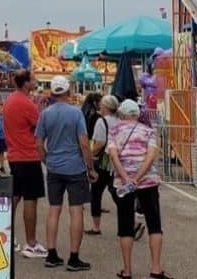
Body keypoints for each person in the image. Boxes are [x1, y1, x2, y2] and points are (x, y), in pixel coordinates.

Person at [36, 75, 96, 271]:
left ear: (52, 93)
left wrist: (47, 159)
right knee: (76, 210)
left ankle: (51, 254)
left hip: (54, 166)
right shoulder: (76, 113)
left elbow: (38, 143)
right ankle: (74, 257)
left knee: (54, 209)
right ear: (68, 91)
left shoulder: (45, 114)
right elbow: (84, 143)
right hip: (75, 167)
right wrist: (90, 168)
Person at [108, 99, 171, 279]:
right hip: (148, 181)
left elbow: (113, 155)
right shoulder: (149, 131)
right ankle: (156, 269)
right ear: (136, 114)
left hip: (123, 184)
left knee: (125, 226)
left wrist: (127, 179)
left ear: (122, 114)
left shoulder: (114, 131)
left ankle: (127, 271)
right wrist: (138, 178)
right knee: (154, 224)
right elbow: (151, 156)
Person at [3, 70, 47, 258]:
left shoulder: (11, 100)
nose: (36, 82)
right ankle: (31, 243)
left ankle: (7, 236)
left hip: (14, 154)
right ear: (26, 83)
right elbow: (41, 125)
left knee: (16, 196)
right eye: (33, 79)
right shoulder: (25, 103)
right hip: (28, 155)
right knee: (31, 199)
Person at [88, 94, 123, 237]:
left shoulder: (101, 122)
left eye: (102, 105)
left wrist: (88, 155)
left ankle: (96, 226)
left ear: (106, 107)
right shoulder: (121, 121)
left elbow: (99, 143)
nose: (100, 107)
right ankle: (130, 220)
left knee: (96, 193)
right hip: (117, 161)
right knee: (115, 191)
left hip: (103, 161)